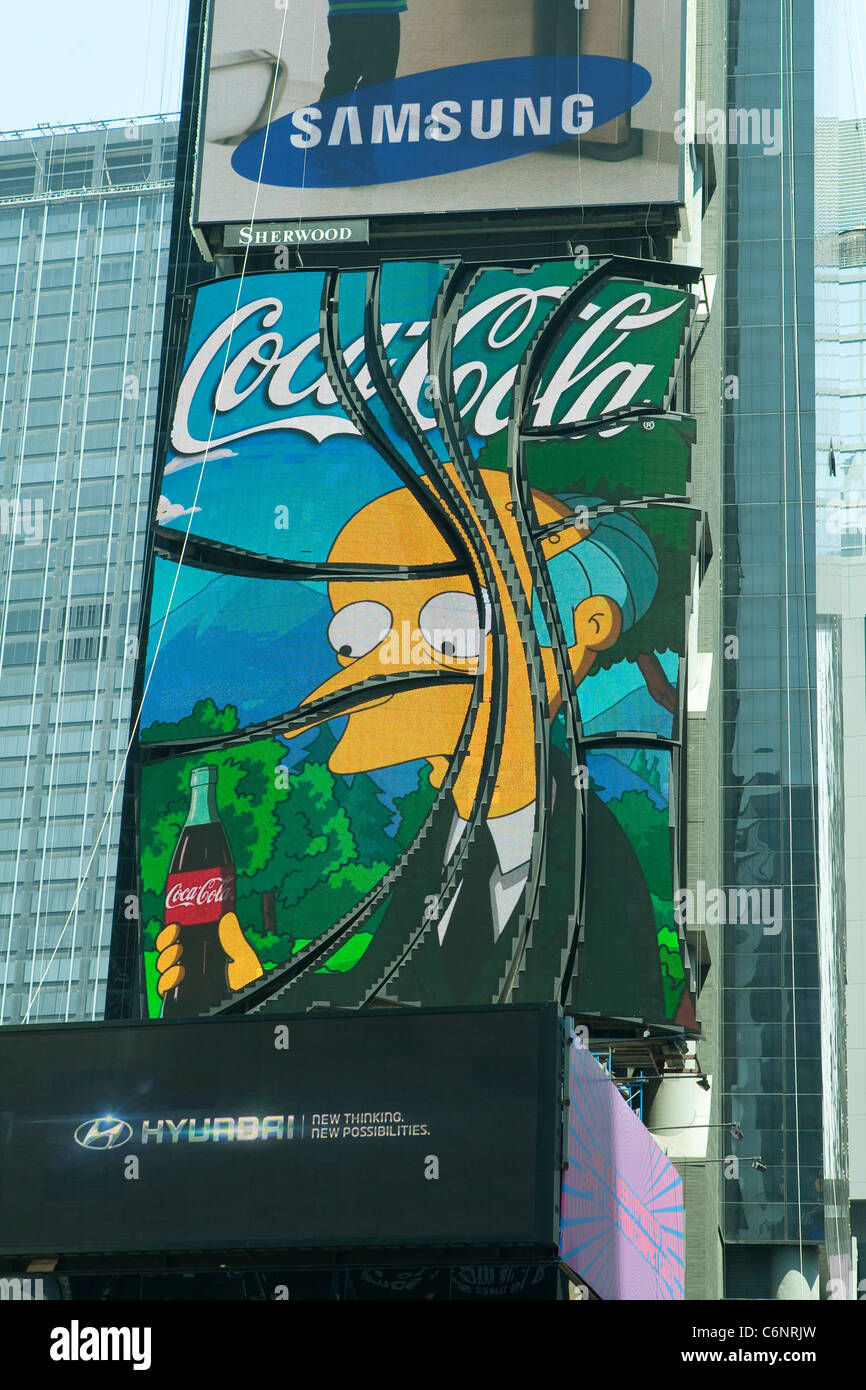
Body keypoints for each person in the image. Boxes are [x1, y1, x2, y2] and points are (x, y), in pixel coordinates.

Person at [320, 0, 407, 102]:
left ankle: (327, 117)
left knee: (341, 79)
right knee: (377, 84)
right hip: (379, 10)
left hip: (341, 10)